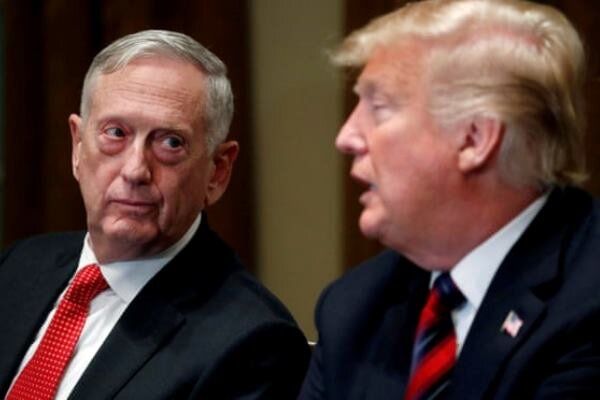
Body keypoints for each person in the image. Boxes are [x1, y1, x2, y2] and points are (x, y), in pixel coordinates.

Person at [299, 0, 600, 398]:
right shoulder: (353, 309)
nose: (347, 137)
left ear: (474, 138)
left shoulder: (587, 303)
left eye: (379, 107)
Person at [0, 30, 309, 399]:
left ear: (218, 171)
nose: (135, 170)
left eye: (170, 143)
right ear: (77, 147)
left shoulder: (253, 345)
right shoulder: (18, 266)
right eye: (116, 133)